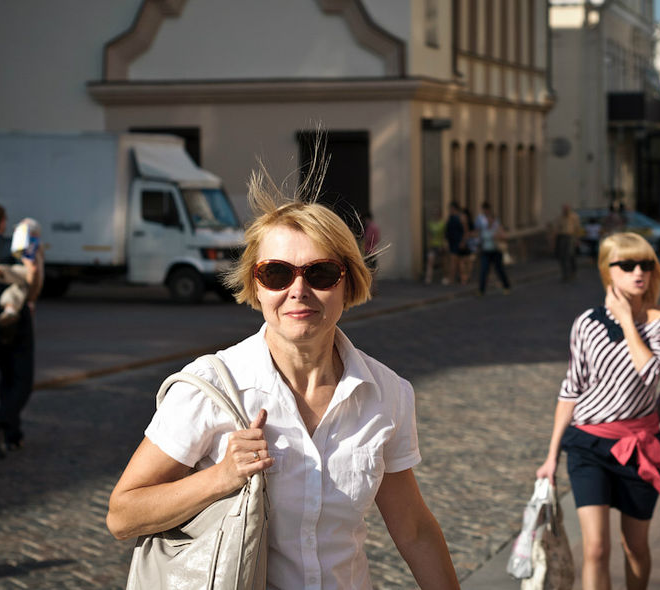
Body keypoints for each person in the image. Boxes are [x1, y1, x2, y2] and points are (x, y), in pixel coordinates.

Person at [106, 162, 461, 590]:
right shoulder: (215, 386)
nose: (298, 290)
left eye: (321, 273)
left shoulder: (387, 393)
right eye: (276, 273)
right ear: (256, 286)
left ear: (348, 284)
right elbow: (123, 515)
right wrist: (219, 477)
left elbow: (413, 528)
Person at [536, 232, 660, 590]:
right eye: (627, 265)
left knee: (635, 547)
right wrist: (551, 455)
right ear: (607, 271)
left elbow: (651, 374)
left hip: (640, 447)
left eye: (646, 264)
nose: (638, 272)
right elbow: (571, 388)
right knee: (596, 548)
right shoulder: (587, 323)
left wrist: (628, 321)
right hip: (589, 446)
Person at [0, 201, 43, 459]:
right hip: (16, 318)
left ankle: (12, 436)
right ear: (2, 220)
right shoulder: (13, 246)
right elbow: (30, 277)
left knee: (6, 377)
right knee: (23, 380)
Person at [0, 218, 44, 327]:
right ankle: (10, 309)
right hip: (28, 282)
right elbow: (34, 272)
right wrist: (32, 299)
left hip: (22, 276)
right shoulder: (34, 245)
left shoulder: (26, 244)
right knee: (20, 284)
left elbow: (32, 270)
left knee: (16, 275)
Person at [475, 202, 511, 295]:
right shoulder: (484, 228)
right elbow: (479, 237)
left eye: (490, 218)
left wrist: (498, 236)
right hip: (486, 251)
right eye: (487, 219)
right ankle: (481, 290)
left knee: (499, 270)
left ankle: (506, 286)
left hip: (496, 251)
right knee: (484, 270)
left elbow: (505, 236)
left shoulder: (496, 227)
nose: (489, 220)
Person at [555, 204, 582, 281]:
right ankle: (565, 274)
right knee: (562, 256)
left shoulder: (574, 217)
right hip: (562, 237)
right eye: (564, 209)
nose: (565, 211)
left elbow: (577, 229)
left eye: (567, 209)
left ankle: (572, 272)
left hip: (571, 237)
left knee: (570, 255)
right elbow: (557, 228)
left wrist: (577, 240)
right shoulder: (560, 217)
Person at [444, 202, 465, 285]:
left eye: (450, 208)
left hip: (457, 241)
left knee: (454, 260)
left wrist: (463, 241)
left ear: (454, 208)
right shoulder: (450, 217)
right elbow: (447, 230)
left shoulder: (460, 217)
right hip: (452, 241)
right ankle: (462, 278)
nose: (449, 210)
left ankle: (451, 278)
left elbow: (464, 230)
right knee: (458, 262)